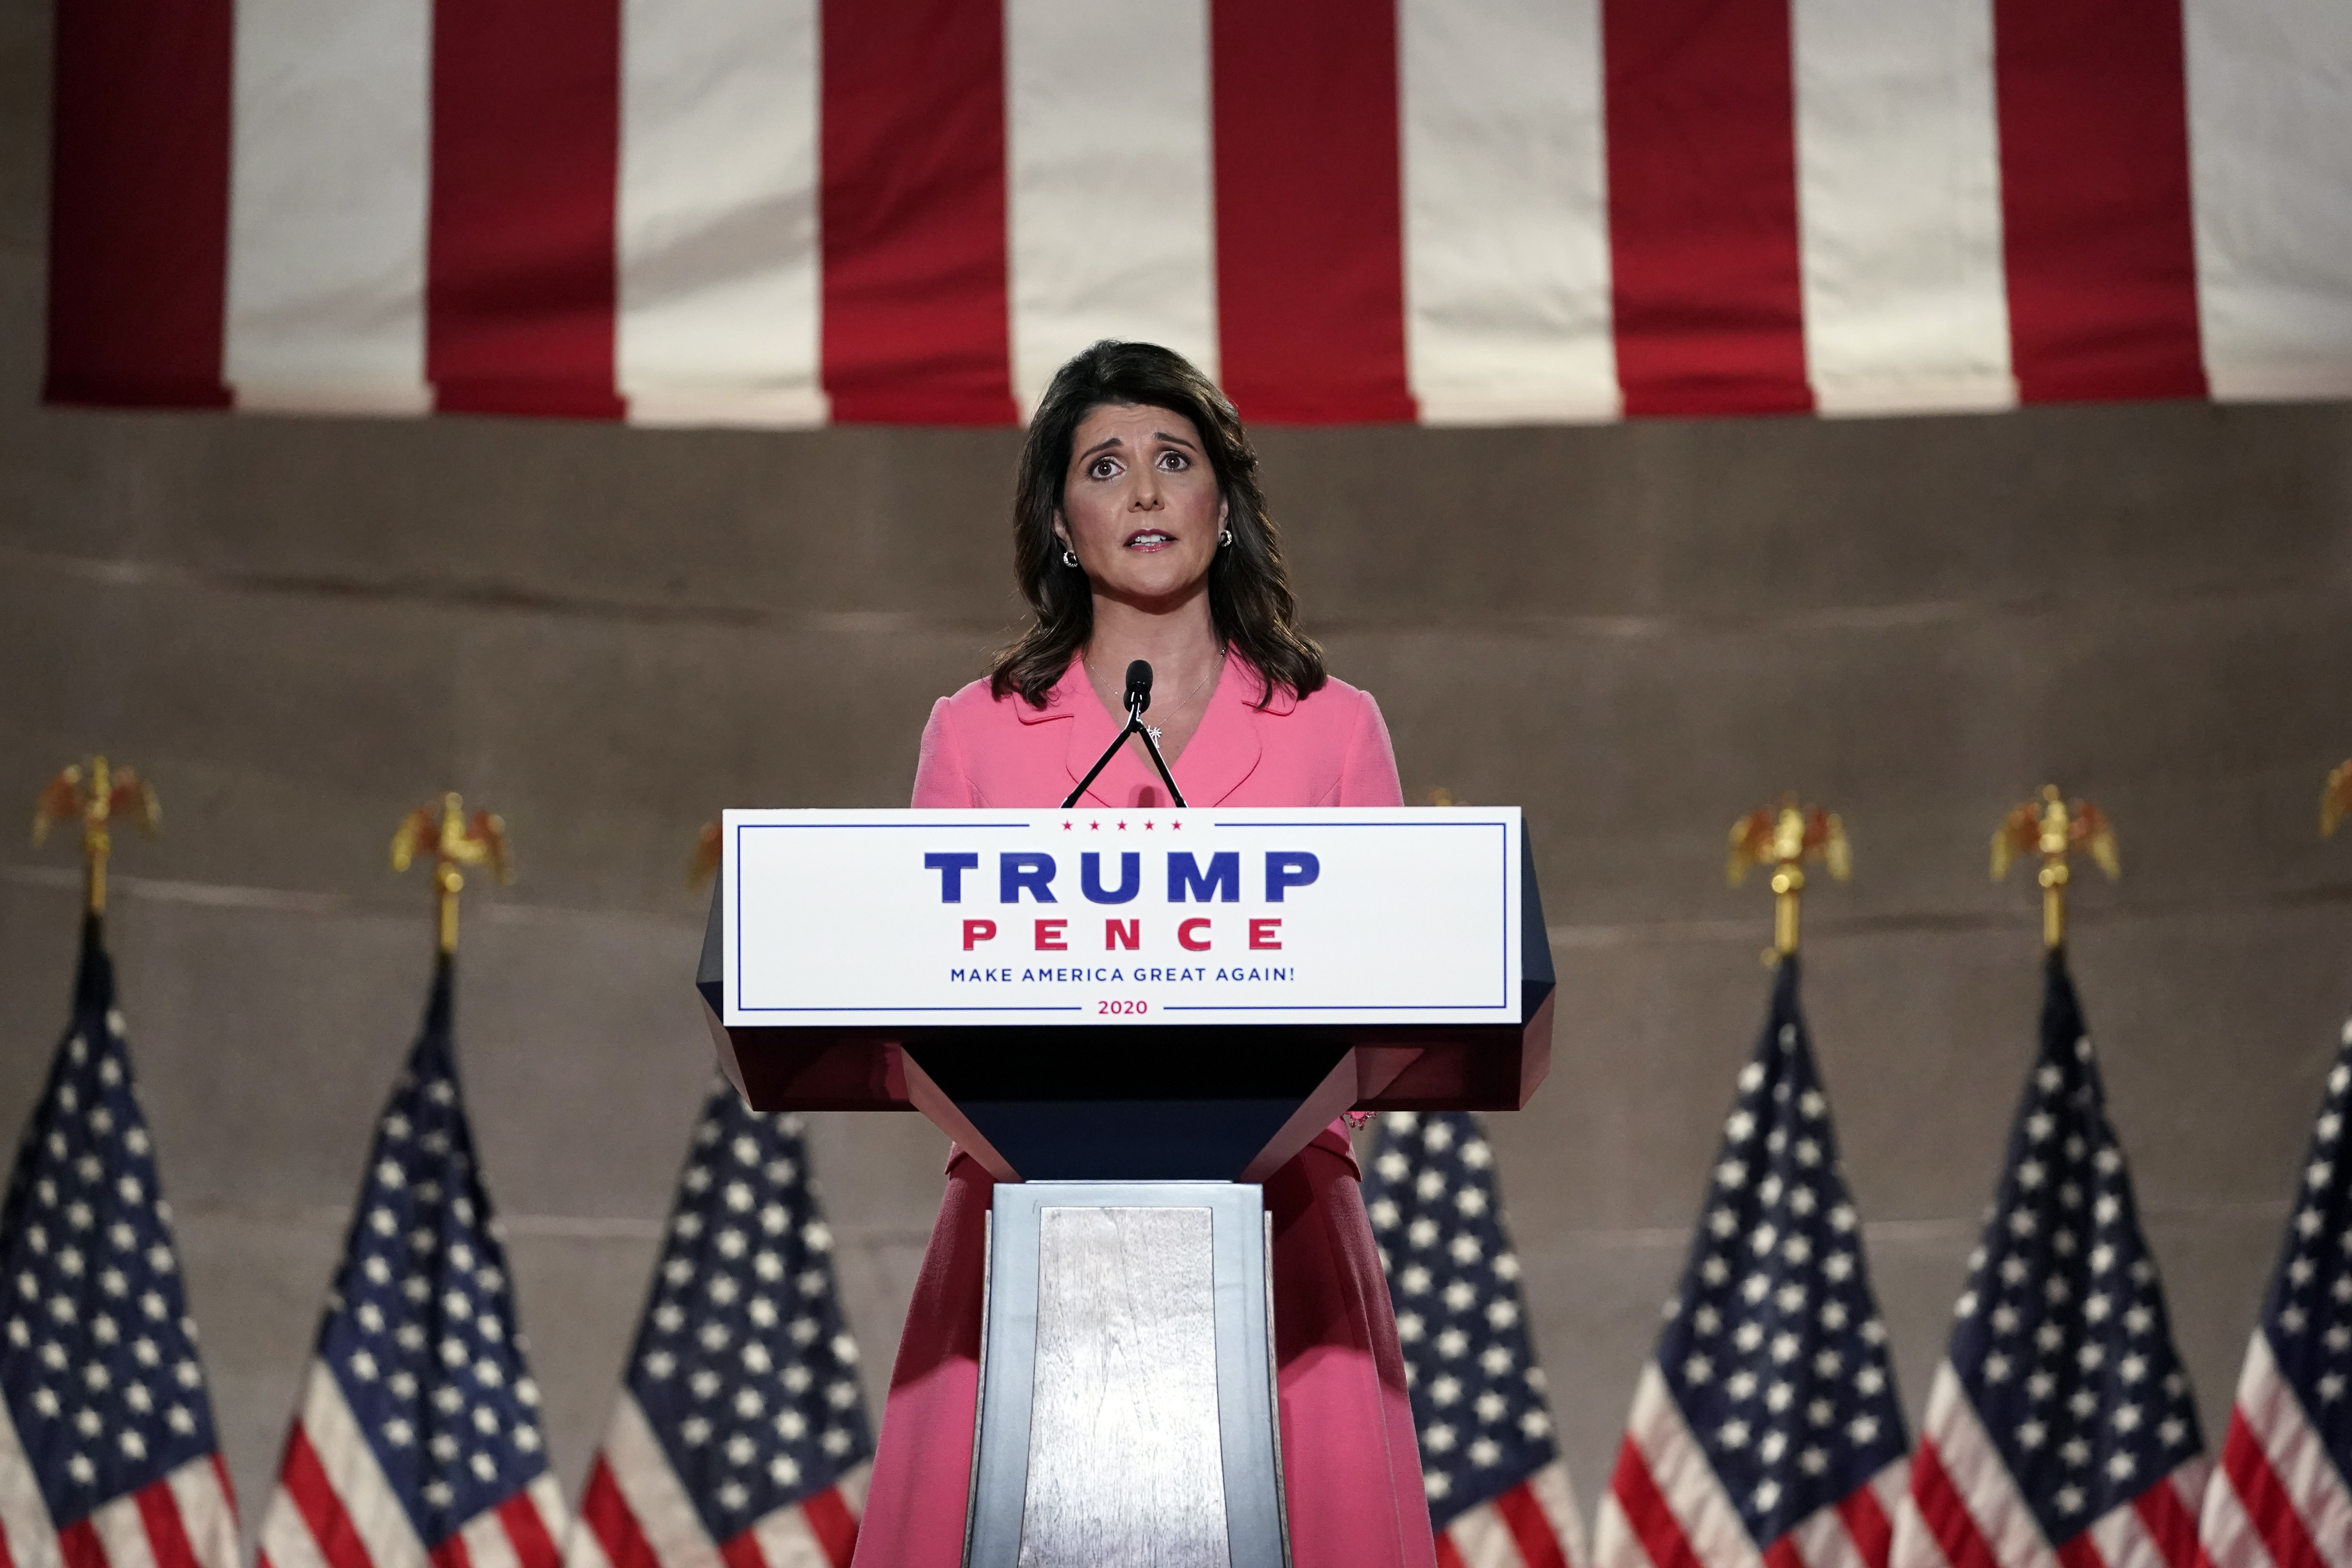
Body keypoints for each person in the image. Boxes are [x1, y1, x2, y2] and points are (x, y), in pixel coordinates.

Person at [849, 341, 1437, 1568]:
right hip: (1025, 1213)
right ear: (1063, 520)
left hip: (1281, 1224)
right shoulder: (977, 732)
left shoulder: (1335, 731)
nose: (1149, 491)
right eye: (1106, 466)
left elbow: (1398, 999)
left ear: (1225, 504)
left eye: (1177, 460)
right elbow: (912, 999)